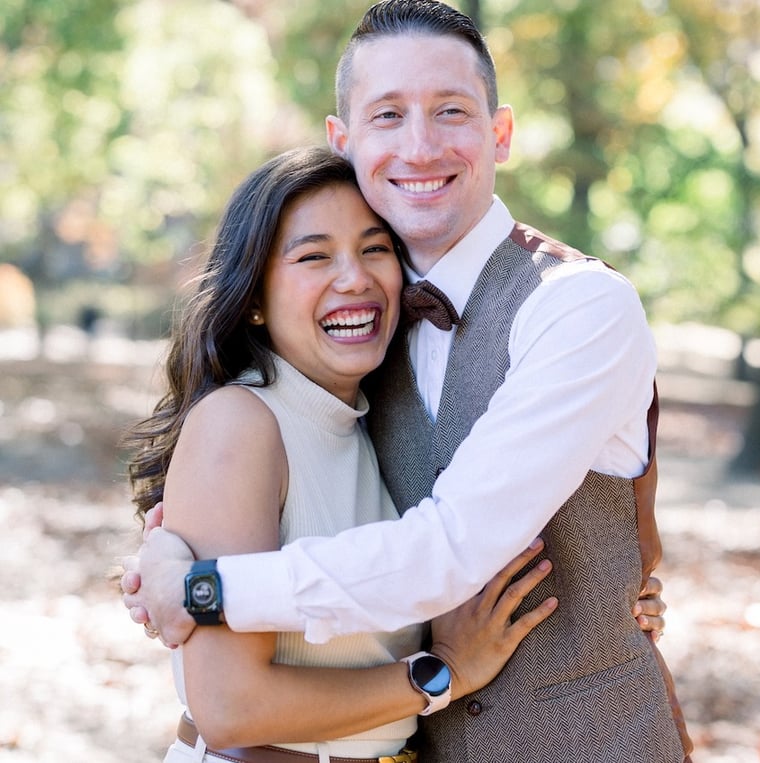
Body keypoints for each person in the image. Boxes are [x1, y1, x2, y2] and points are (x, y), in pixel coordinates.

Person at [123, 1, 693, 761]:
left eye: (451, 111)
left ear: (501, 132)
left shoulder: (577, 305)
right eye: (388, 114)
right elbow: (264, 486)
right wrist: (166, 550)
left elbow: (451, 549)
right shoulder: (362, 334)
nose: (420, 146)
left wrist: (207, 586)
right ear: (346, 140)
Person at [126, 145, 559, 762]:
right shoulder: (241, 422)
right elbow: (230, 708)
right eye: (314, 256)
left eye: (375, 248)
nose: (354, 277)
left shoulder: (370, 423)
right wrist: (442, 675)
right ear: (253, 296)